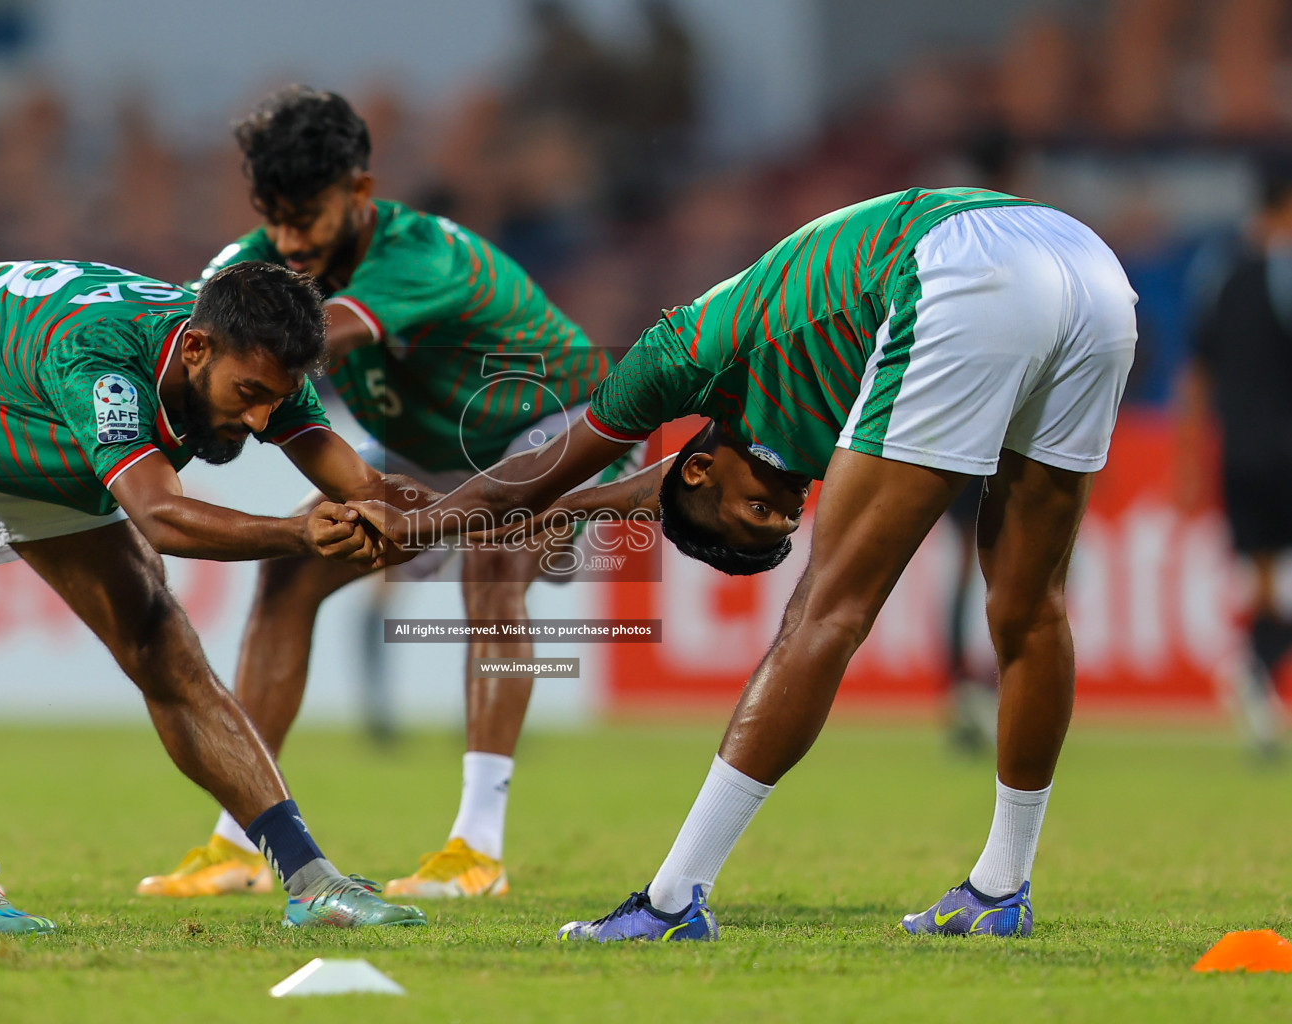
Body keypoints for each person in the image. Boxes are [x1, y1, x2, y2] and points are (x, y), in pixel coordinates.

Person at [351, 187, 1138, 940]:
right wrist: (574, 511)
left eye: (761, 512)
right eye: (780, 519)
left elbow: (544, 470)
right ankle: (999, 889)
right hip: (1088, 271)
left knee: (822, 613)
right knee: (1029, 606)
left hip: (959, 269)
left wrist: (417, 528)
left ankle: (668, 902)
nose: (792, 506)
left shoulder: (670, 358)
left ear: (699, 470)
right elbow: (644, 488)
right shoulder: (758, 436)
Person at [0, 257, 429, 933]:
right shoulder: (103, 357)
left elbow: (367, 490)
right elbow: (162, 518)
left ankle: (314, 884)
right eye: (249, 393)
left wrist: (493, 510)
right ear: (198, 348)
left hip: (33, 423)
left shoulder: (258, 357)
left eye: (277, 398)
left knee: (161, 642)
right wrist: (298, 533)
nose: (263, 418)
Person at [139, 86, 624, 901]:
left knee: (494, 561)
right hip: (428, 448)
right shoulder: (253, 261)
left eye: (308, 218)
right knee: (292, 571)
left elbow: (304, 342)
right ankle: (236, 842)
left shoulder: (420, 254)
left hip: (553, 424)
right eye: (274, 217)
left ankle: (477, 848)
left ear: (359, 193)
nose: (290, 242)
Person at [1179, 160, 1292, 758]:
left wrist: (1189, 455)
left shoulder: (1217, 273)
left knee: (1267, 578)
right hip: (1282, 447)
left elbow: (1195, 370)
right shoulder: (1284, 273)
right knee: (1273, 580)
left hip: (1236, 449)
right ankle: (1254, 664)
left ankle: (1258, 689)